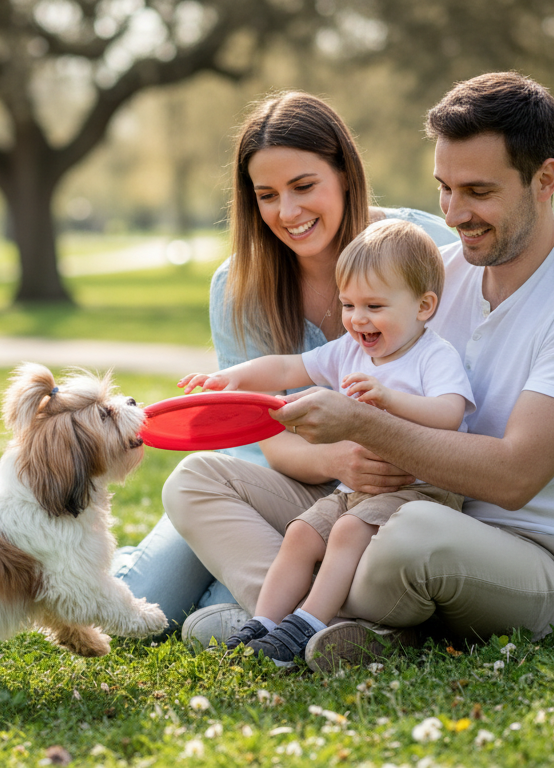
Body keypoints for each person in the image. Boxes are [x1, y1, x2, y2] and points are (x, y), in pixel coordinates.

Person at [165, 72, 554, 673]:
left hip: (545, 561)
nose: (453, 213)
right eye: (444, 188)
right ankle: (304, 626)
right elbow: (330, 362)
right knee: (197, 479)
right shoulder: (437, 274)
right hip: (410, 510)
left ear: (544, 179)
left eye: (477, 191)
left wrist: (363, 426)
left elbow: (515, 477)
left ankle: (294, 616)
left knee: (412, 534)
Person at [109, 91, 458, 633]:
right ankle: (324, 620)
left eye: (303, 186)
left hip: (391, 492)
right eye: (266, 195)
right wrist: (341, 462)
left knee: (211, 614)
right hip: (283, 480)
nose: (287, 213)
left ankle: (277, 618)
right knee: (143, 602)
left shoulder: (428, 249)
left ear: (344, 172)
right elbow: (268, 438)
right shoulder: (238, 286)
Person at [177, 219, 474, 666]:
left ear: (424, 306)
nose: (357, 319)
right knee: (301, 532)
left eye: (374, 305)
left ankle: (309, 624)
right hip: (359, 489)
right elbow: (284, 370)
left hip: (422, 491)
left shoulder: (433, 356)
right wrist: (230, 379)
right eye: (348, 304)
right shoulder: (349, 350)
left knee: (348, 531)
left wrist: (389, 399)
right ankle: (265, 625)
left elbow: (450, 412)